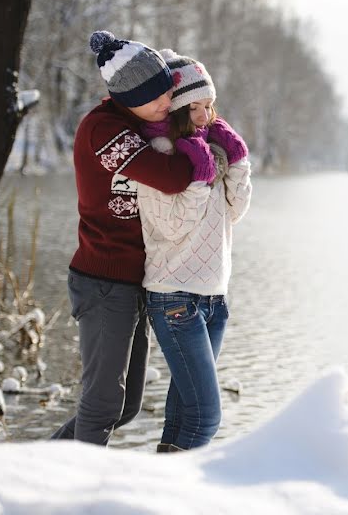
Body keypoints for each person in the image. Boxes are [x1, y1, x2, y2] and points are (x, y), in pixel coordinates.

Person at [51, 31, 216, 445]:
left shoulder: (142, 123)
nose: (167, 103)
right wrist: (194, 152)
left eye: (167, 92)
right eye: (157, 96)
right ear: (128, 96)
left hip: (134, 280)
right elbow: (172, 178)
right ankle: (66, 497)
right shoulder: (104, 130)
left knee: (126, 407)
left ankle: (33, 468)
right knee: (103, 403)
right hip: (104, 277)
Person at [136, 49, 252, 452]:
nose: (206, 117)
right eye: (196, 107)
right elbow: (170, 228)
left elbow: (234, 213)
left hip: (213, 299)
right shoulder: (158, 156)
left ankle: (158, 495)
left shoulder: (211, 152)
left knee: (184, 415)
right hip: (174, 295)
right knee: (206, 416)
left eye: (209, 106)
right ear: (178, 109)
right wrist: (199, 180)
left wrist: (236, 163)